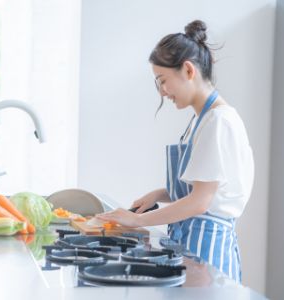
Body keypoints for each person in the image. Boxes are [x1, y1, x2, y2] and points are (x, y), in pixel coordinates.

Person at [96, 20, 254, 283]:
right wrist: (159, 194)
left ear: (188, 70)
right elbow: (203, 188)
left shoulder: (218, 121)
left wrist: (136, 222)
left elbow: (201, 202)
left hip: (207, 248)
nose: (162, 91)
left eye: (163, 80)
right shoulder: (202, 120)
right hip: (192, 241)